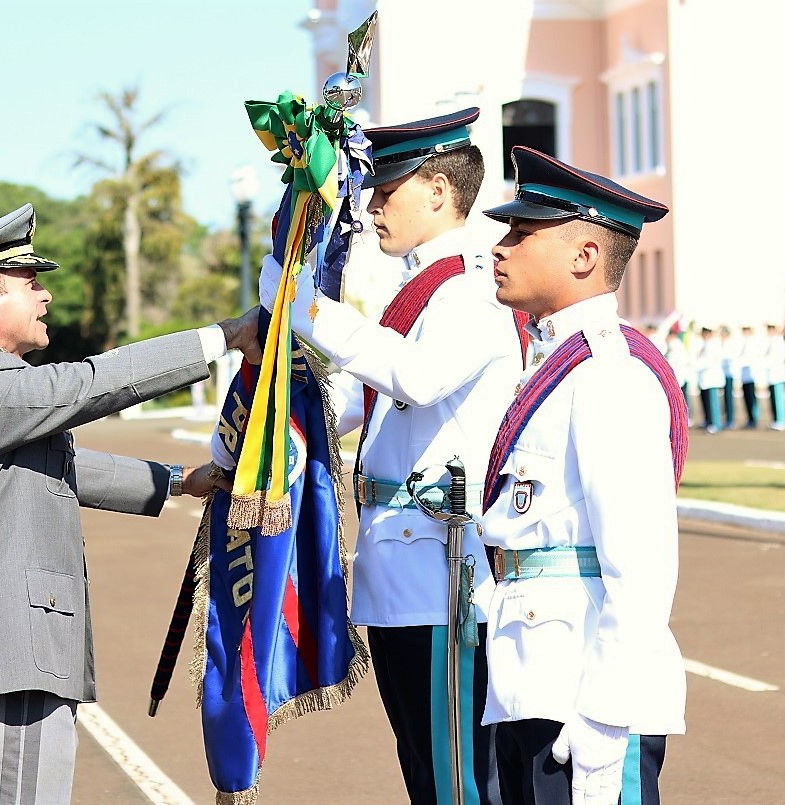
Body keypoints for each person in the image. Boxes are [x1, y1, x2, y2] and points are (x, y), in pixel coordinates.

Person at [0, 203, 260, 804]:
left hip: (13, 655)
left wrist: (177, 480)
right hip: (12, 655)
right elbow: (91, 383)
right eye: (30, 283)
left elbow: (63, 465)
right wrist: (223, 337)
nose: (44, 297)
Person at [244, 109, 525, 804]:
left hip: (442, 576)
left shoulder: (467, 285)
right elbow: (369, 400)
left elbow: (416, 377)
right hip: (403, 573)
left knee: (458, 779)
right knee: (427, 775)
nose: (370, 208)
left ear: (437, 190)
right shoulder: (419, 289)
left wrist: (303, 306)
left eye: (386, 190)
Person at [480, 146, 688, 804]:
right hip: (528, 682)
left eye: (520, 232)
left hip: (583, 692)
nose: (500, 246)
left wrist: (605, 713)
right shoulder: (555, 362)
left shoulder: (607, 374)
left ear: (584, 257)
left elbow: (642, 562)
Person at [694, 326, 725, 433]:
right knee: (708, 402)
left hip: (712, 378)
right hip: (706, 379)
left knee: (713, 402)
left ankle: (716, 424)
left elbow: (709, 361)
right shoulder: (706, 344)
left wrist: (695, 365)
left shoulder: (712, 345)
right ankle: (711, 422)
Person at [764, 322, 785, 430]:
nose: (769, 331)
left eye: (770, 328)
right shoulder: (772, 341)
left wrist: (763, 362)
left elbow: (774, 359)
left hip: (777, 374)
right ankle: (776, 420)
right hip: (772, 375)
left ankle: (781, 421)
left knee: (778, 399)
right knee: (773, 399)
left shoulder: (778, 341)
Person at [738, 324, 763, 428]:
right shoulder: (744, 342)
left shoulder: (752, 342)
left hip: (751, 375)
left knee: (751, 398)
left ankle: (754, 419)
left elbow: (750, 358)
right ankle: (750, 419)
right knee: (747, 399)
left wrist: (739, 361)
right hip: (745, 376)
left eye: (746, 329)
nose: (744, 332)